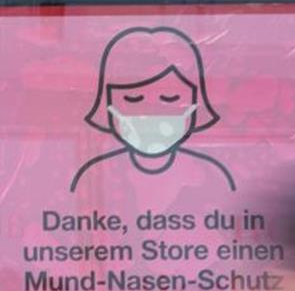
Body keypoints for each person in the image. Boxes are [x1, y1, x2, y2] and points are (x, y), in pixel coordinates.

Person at [71, 26, 236, 193]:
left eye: (170, 98)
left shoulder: (220, 177)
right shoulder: (91, 174)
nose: (150, 119)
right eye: (133, 99)